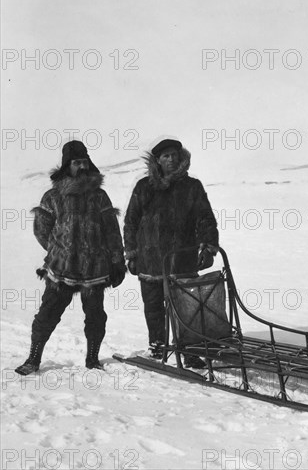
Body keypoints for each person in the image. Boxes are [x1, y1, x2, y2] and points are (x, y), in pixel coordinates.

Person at [15, 141, 127, 376]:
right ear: (67, 166)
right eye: (76, 162)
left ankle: (92, 359)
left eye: (84, 161)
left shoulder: (99, 196)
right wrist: (59, 250)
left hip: (94, 269)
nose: (82, 166)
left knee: (96, 316)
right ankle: (33, 359)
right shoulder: (53, 196)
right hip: (60, 269)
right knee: (47, 315)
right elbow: (41, 230)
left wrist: (117, 262)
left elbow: (112, 232)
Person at [124, 139, 219, 367]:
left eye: (175, 155)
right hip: (150, 260)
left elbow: (205, 218)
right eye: (166, 156)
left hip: (182, 259)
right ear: (157, 160)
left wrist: (208, 247)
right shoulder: (144, 187)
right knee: (154, 307)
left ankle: (190, 351)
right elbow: (131, 221)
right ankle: (157, 347)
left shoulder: (192, 187)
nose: (171, 159)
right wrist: (132, 252)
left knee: (187, 308)